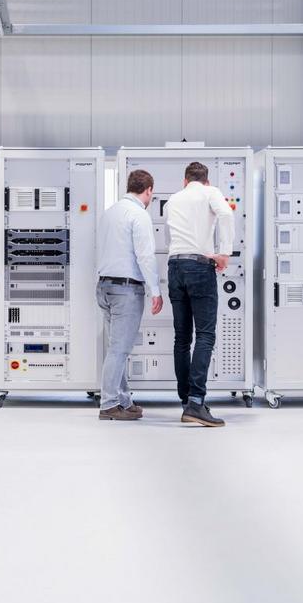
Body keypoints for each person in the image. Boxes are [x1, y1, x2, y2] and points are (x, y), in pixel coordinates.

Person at [164, 161, 234, 427]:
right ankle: (195, 402)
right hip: (199, 266)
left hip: (175, 266)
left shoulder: (173, 199)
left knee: (182, 338)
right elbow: (226, 215)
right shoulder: (210, 192)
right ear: (206, 180)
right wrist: (224, 252)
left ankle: (187, 402)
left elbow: (169, 237)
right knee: (205, 335)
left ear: (185, 181)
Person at [95, 169, 163, 421]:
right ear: (149, 190)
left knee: (116, 348)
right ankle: (108, 404)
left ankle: (123, 400)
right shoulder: (139, 214)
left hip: (104, 286)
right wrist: (155, 290)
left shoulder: (109, 212)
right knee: (119, 350)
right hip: (126, 290)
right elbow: (145, 256)